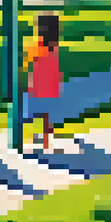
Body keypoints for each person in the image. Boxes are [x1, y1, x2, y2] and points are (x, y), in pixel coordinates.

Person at [24, 12, 62, 141]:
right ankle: (47, 133)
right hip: (50, 82)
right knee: (47, 109)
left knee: (38, 107)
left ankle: (41, 134)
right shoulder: (55, 46)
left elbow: (29, 62)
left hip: (39, 81)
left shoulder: (37, 45)